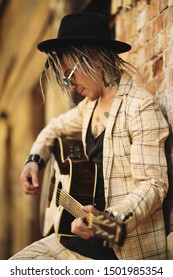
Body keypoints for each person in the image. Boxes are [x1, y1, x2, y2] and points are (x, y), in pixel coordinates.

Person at [10, 13, 169, 260]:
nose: (70, 87)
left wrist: (105, 222)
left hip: (122, 253)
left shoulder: (140, 106)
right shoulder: (89, 106)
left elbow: (153, 185)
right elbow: (54, 128)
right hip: (78, 240)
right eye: (65, 80)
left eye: (70, 75)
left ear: (93, 59)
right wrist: (35, 160)